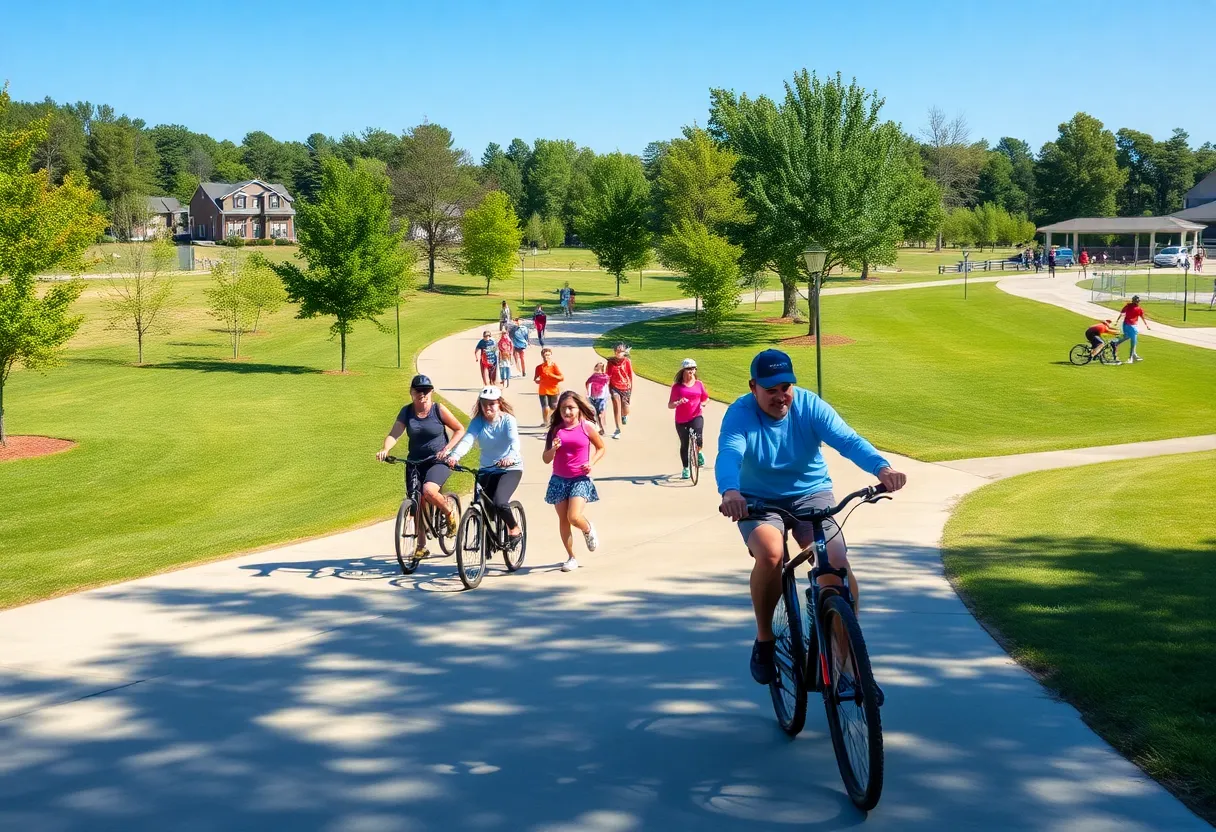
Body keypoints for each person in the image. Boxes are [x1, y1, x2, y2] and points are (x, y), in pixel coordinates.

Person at [716, 349, 907, 686]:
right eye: (770, 390)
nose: (780, 396)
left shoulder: (809, 405)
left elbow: (846, 440)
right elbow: (730, 452)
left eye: (785, 387)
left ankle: (845, 659)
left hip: (811, 493)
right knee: (771, 553)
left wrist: (882, 467)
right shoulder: (740, 414)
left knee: (836, 562)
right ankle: (764, 640)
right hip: (757, 500)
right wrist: (730, 491)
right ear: (753, 387)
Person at [377, 375, 466, 559]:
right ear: (411, 392)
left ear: (431, 392)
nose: (422, 395)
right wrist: (385, 449)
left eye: (426, 391)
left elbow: (459, 429)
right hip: (415, 462)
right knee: (415, 502)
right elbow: (395, 433)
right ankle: (421, 546)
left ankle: (449, 512)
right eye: (418, 391)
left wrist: (447, 449)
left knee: (429, 491)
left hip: (438, 461)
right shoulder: (407, 412)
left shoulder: (438, 409)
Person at [437, 386, 524, 544]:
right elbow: (468, 440)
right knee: (481, 503)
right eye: (484, 404)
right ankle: (488, 538)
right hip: (487, 469)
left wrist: (510, 457)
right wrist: (454, 456)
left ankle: (514, 528)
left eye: (492, 403)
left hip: (510, 468)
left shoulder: (507, 420)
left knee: (499, 502)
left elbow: (514, 442)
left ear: (499, 404)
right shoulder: (478, 422)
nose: (488, 407)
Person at [542, 391, 605, 572]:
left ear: (578, 409)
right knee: (564, 519)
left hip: (580, 479)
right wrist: (553, 449)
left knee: (574, 516)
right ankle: (571, 557)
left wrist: (591, 462)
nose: (567, 412)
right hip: (559, 479)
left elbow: (601, 448)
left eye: (571, 408)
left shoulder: (587, 428)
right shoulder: (556, 430)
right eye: (563, 409)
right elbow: (546, 459)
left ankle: (587, 529)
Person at [669, 358, 709, 479]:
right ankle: (686, 468)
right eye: (688, 369)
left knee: (699, 437)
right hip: (681, 420)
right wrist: (678, 403)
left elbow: (706, 398)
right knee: (684, 444)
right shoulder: (677, 387)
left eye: (693, 368)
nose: (691, 371)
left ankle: (699, 452)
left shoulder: (699, 384)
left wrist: (703, 403)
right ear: (683, 371)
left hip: (696, 415)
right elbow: (670, 405)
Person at [1111, 295, 1150, 363]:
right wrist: (1117, 320)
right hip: (1131, 326)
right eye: (1137, 301)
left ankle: (1116, 343)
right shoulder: (1135, 307)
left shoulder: (1130, 306)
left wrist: (1146, 325)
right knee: (1133, 341)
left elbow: (1122, 314)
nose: (1137, 302)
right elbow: (1122, 314)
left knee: (1127, 337)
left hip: (1126, 325)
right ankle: (1131, 358)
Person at [606, 343, 633, 440]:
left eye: (620, 351)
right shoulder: (610, 362)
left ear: (624, 352)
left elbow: (630, 376)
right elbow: (607, 376)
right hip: (614, 387)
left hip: (625, 387)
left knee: (625, 408)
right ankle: (617, 429)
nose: (618, 353)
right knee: (616, 407)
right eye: (617, 351)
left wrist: (631, 390)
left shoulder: (627, 362)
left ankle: (624, 415)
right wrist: (606, 387)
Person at [533, 347, 564, 424]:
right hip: (543, 390)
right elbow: (536, 379)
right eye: (545, 355)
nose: (547, 357)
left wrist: (552, 375)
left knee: (553, 408)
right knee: (545, 407)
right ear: (542, 356)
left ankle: (551, 420)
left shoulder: (554, 366)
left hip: (554, 390)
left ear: (551, 355)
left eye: (548, 355)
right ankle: (545, 422)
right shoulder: (539, 367)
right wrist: (538, 381)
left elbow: (561, 378)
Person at [586, 362, 610, 435]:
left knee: (600, 414)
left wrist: (607, 395)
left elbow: (607, 386)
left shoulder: (605, 377)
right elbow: (588, 384)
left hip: (602, 398)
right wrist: (588, 393)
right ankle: (600, 428)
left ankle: (602, 428)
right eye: (597, 368)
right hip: (593, 397)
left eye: (599, 369)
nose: (598, 370)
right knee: (595, 414)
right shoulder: (593, 377)